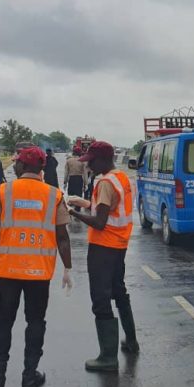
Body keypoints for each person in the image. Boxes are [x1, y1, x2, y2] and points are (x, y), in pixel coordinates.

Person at [0, 146, 73, 387]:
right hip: (39, 274)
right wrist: (68, 268)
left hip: (8, 272)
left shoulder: (4, 191)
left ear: (21, 166)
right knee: (35, 322)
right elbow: (62, 237)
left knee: (3, 324)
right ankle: (29, 377)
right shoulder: (54, 195)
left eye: (17, 162)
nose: (15, 166)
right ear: (42, 167)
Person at [68, 141, 138, 372]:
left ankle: (108, 357)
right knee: (119, 291)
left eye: (92, 162)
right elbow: (109, 209)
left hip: (103, 247)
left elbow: (99, 222)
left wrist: (72, 212)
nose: (89, 166)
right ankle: (131, 341)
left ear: (104, 160)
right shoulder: (121, 178)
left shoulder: (105, 182)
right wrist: (85, 203)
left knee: (101, 298)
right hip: (119, 244)